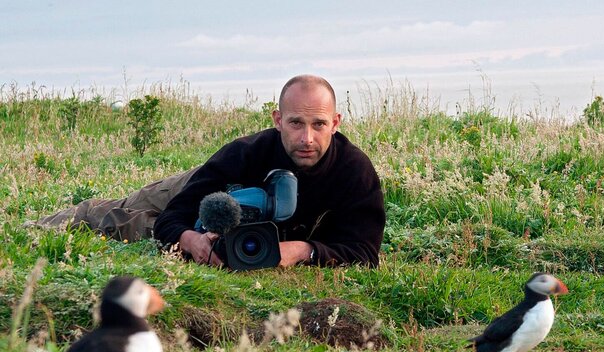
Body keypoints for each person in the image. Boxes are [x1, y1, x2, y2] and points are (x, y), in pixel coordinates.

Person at [29, 75, 385, 267]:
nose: (307, 137)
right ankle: (35, 227)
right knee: (122, 213)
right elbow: (176, 216)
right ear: (277, 120)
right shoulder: (246, 153)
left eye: (319, 124)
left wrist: (300, 251)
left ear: (336, 123)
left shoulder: (356, 171)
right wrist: (190, 239)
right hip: (200, 190)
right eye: (295, 123)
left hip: (262, 228)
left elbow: (365, 252)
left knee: (143, 228)